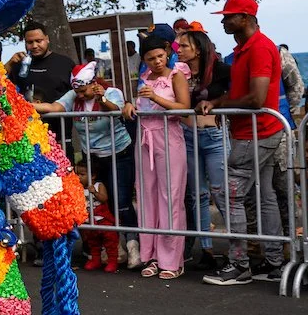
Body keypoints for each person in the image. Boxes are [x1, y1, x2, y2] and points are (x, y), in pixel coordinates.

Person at [202, 0, 284, 286]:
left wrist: (220, 102)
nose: (223, 21)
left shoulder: (260, 48)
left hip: (256, 133)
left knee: (229, 195)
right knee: (264, 197)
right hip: (256, 132)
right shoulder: (245, 49)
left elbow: (257, 98)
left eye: (229, 16)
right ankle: (275, 263)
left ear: (246, 19)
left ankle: (239, 266)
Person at [36, 61, 140, 269]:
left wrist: (101, 98)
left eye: (84, 91)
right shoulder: (74, 96)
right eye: (78, 92)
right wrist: (24, 106)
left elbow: (117, 111)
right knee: (98, 202)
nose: (81, 96)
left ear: (93, 83)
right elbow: (53, 107)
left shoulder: (111, 92)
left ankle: (134, 247)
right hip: (92, 157)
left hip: (118, 153)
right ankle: (110, 249)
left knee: (120, 201)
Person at [124, 36, 190, 280]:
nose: (157, 61)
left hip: (169, 138)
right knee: (146, 196)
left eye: (160, 56)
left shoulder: (177, 76)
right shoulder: (143, 79)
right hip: (145, 140)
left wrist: (156, 98)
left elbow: (184, 107)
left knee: (170, 197)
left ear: (166, 53)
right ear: (144, 60)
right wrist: (130, 105)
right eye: (151, 58)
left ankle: (172, 258)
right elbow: (142, 106)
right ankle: (150, 255)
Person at [176, 31, 231, 269]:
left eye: (184, 46)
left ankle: (238, 250)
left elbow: (234, 94)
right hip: (188, 136)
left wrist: (216, 104)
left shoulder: (220, 69)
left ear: (197, 49)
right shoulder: (179, 72)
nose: (178, 50)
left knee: (221, 193)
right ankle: (206, 250)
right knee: (197, 194)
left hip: (214, 136)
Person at [6, 21, 74, 107]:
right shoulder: (18, 64)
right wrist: (9, 64)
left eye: (38, 41)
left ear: (47, 39)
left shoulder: (65, 63)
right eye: (30, 42)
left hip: (59, 119)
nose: (34, 46)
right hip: (26, 118)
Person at [73, 159, 118, 273]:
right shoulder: (78, 189)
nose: (79, 177)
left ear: (92, 176)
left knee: (110, 242)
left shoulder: (98, 185)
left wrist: (94, 192)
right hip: (89, 220)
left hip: (103, 220)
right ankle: (95, 260)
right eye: (77, 174)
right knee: (93, 242)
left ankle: (112, 261)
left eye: (82, 174)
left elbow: (104, 198)